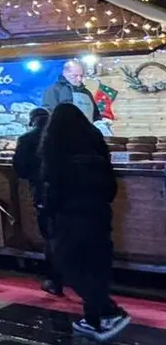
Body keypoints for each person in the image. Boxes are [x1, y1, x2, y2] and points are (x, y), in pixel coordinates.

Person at [42, 101, 131, 341]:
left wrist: (48, 209)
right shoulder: (95, 145)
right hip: (99, 214)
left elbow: (53, 189)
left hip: (69, 217)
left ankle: (108, 310)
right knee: (96, 265)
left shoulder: (56, 150)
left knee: (68, 264)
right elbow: (110, 187)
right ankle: (94, 319)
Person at [12, 107, 62, 296]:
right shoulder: (64, 137)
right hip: (69, 193)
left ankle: (54, 279)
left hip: (42, 193)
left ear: (32, 120)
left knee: (49, 236)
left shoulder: (26, 139)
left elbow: (19, 168)